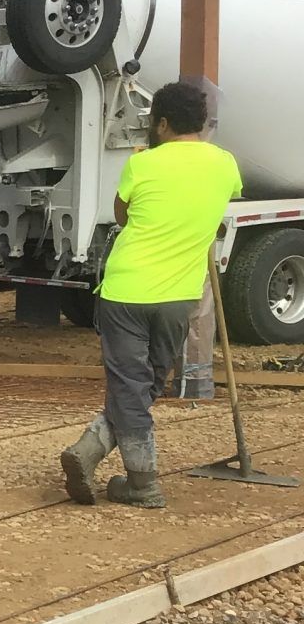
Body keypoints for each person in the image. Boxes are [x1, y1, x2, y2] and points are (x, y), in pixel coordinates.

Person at [60, 78, 242, 509]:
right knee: (146, 385)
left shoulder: (141, 164)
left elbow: (122, 215)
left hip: (126, 291)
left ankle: (109, 461)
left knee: (131, 387)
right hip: (178, 296)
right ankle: (132, 474)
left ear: (161, 123)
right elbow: (219, 208)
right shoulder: (226, 165)